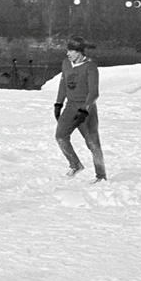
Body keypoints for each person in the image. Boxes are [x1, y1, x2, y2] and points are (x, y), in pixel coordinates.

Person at [54, 35, 107, 183]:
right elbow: (63, 85)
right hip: (70, 106)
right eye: (67, 51)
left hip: (86, 108)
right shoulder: (66, 64)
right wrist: (58, 104)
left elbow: (94, 92)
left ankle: (101, 175)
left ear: (79, 52)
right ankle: (75, 165)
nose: (67, 54)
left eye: (70, 51)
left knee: (92, 143)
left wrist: (85, 109)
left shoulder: (90, 67)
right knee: (60, 136)